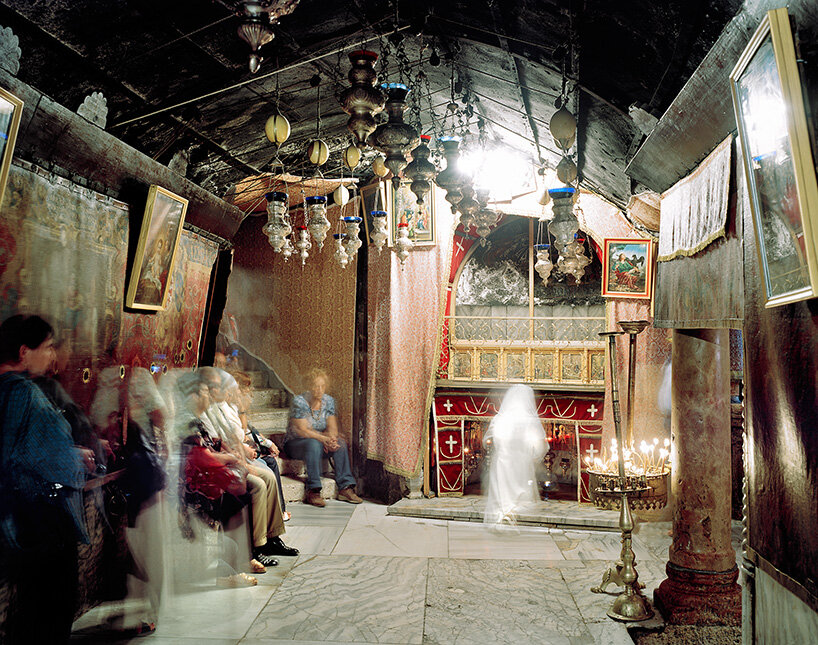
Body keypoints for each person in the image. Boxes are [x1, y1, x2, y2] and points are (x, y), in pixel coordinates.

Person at [0, 314, 92, 644]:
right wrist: (71, 457)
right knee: (48, 612)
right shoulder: (21, 393)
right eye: (48, 347)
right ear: (25, 351)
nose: (52, 356)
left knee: (32, 610)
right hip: (40, 522)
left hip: (28, 522)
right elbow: (15, 457)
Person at [199, 367, 297, 562]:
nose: (224, 392)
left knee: (268, 475)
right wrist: (241, 461)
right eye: (218, 388)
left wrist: (243, 456)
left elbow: (229, 439)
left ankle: (272, 537)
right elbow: (219, 445)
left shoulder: (220, 408)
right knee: (261, 482)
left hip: (232, 457)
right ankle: (257, 545)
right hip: (220, 465)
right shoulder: (206, 413)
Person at [283, 368, 361, 507]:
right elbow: (303, 431)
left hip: (317, 442)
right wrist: (323, 439)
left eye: (322, 386)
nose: (319, 390)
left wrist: (331, 439)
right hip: (295, 444)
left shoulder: (328, 401)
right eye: (315, 386)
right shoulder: (299, 402)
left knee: (341, 443)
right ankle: (313, 490)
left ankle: (345, 487)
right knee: (313, 443)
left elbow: (332, 428)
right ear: (308, 386)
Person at [482, 384, 548, 526]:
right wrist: (534, 457)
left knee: (504, 489)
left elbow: (495, 438)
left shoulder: (501, 417)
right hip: (522, 461)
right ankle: (515, 515)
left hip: (503, 461)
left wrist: (503, 451)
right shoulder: (529, 419)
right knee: (521, 490)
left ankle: (505, 512)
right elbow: (539, 445)